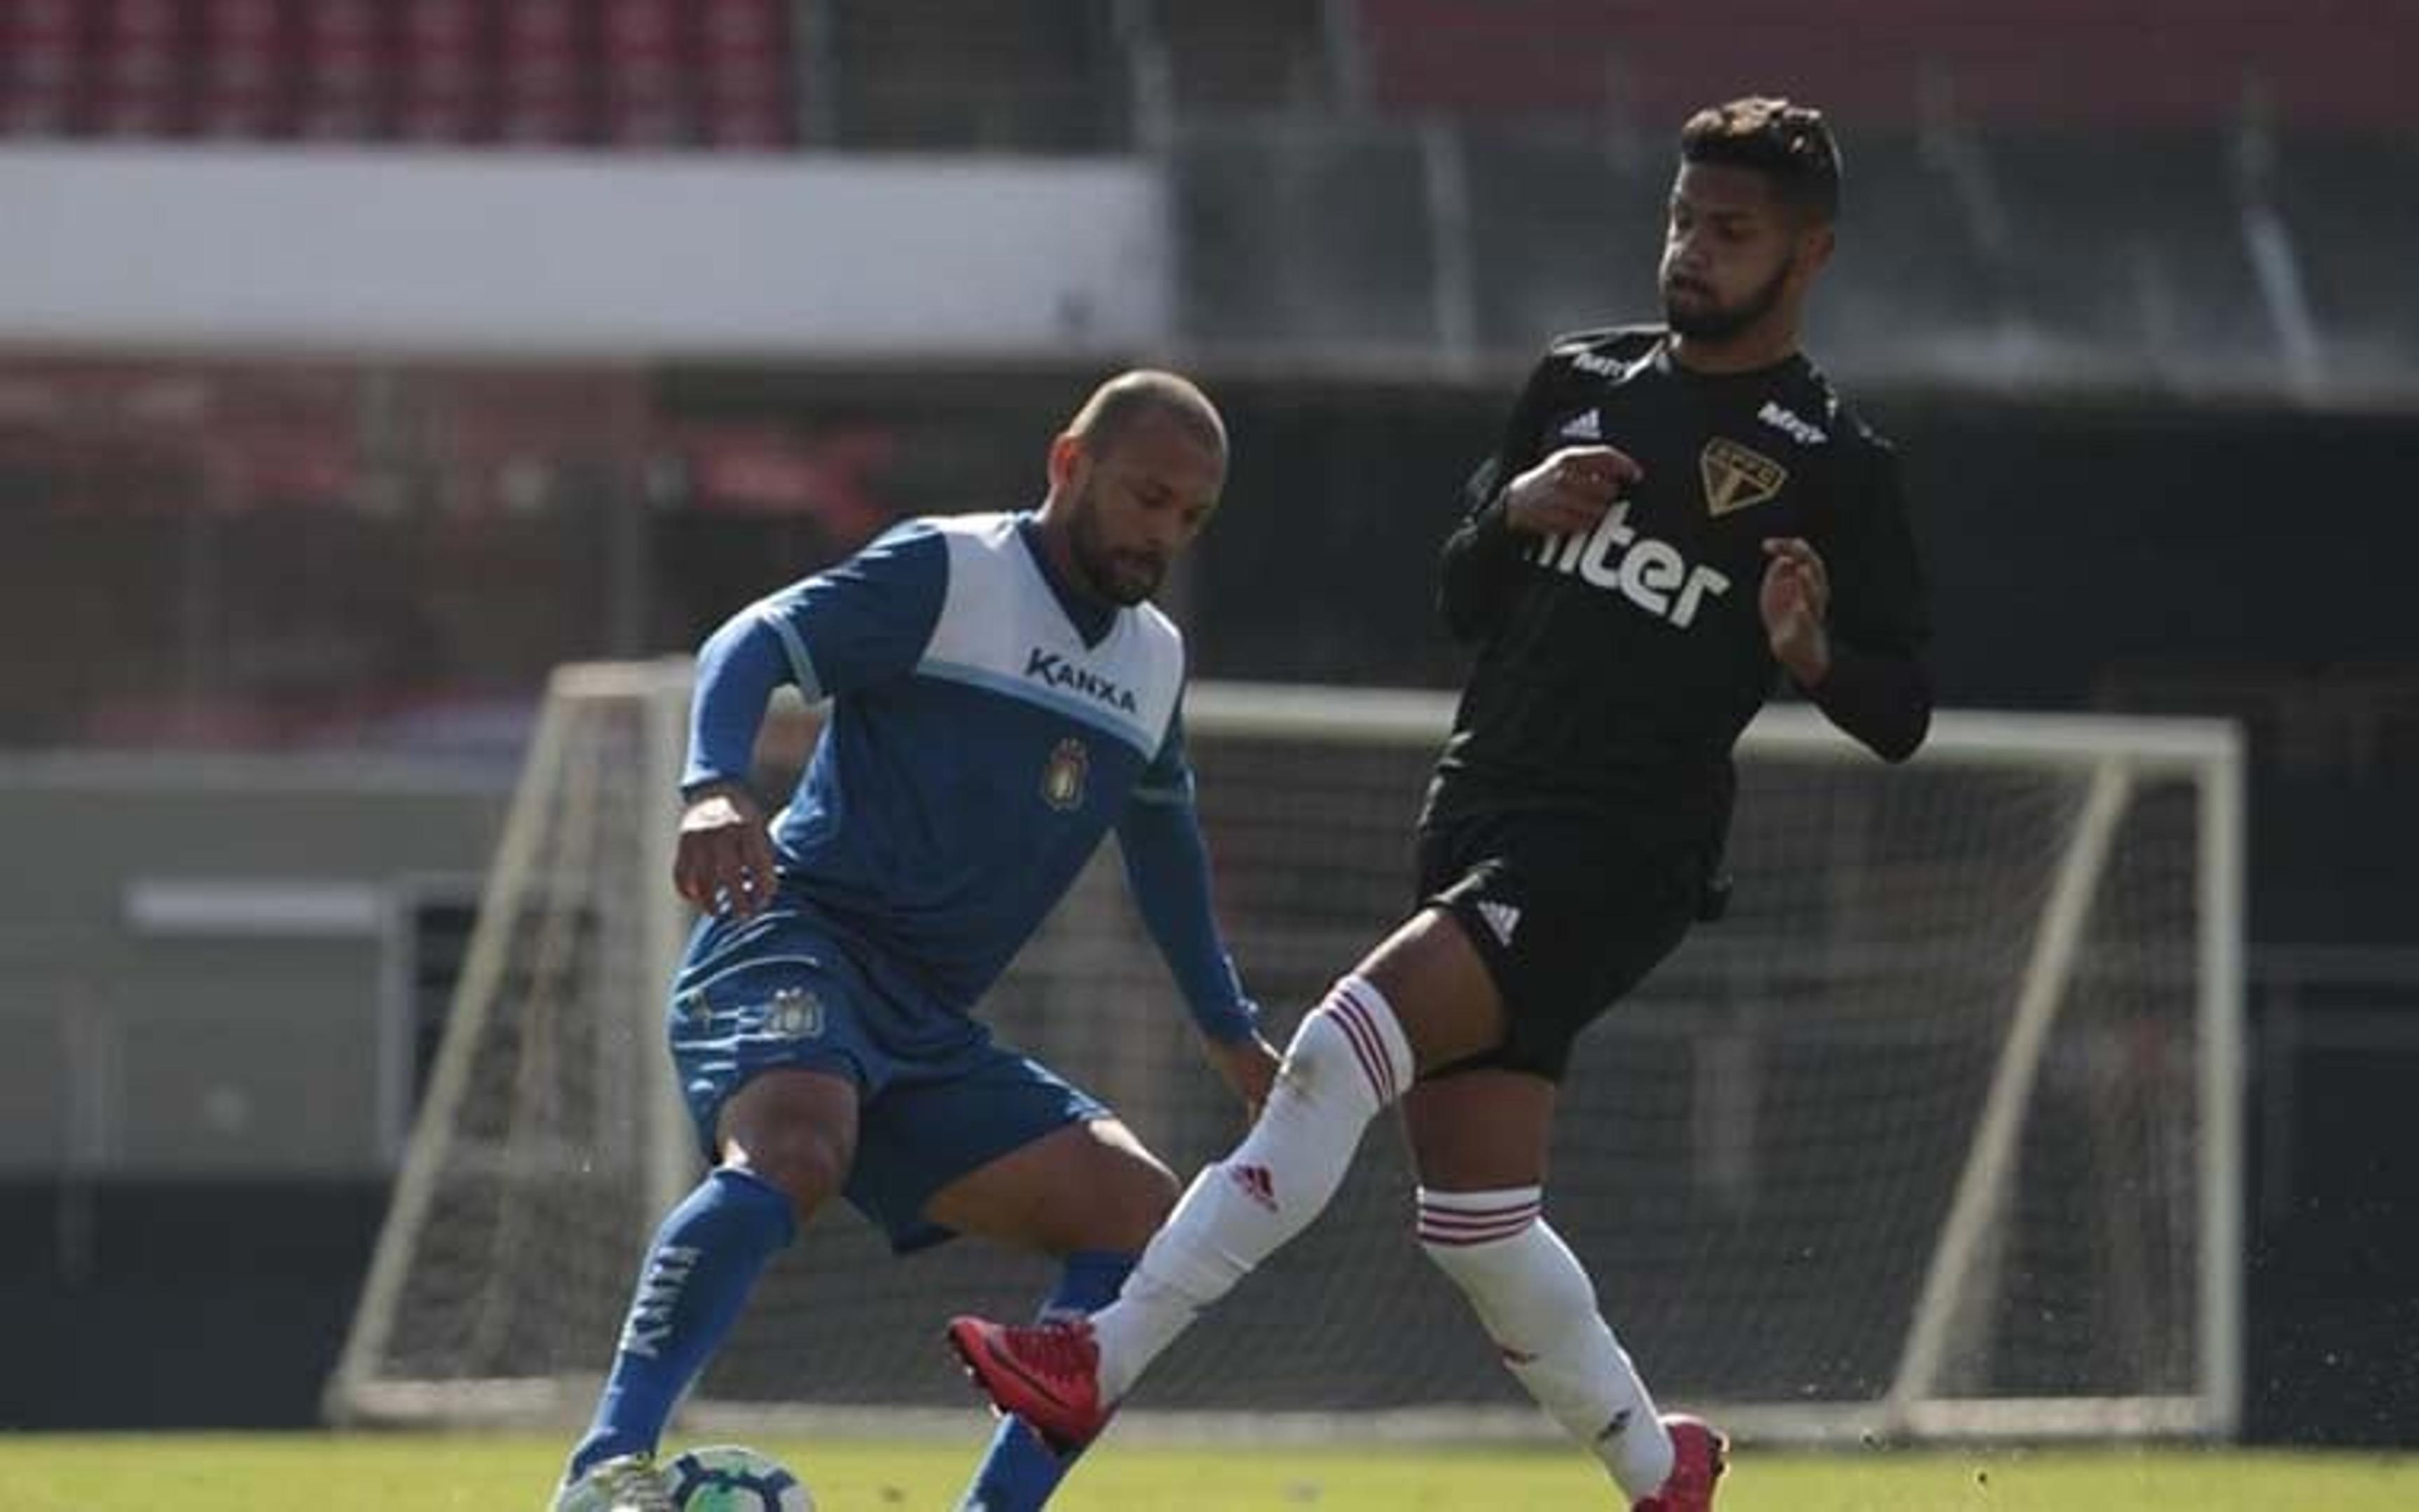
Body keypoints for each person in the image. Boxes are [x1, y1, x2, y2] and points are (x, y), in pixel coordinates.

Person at [947, 98, 1934, 1511]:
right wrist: (1516, 508)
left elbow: (1901, 711)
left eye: (1732, 233)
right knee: (1476, 1218)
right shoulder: (1578, 378)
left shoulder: (1836, 461)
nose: (1693, 252)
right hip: (1480, 815)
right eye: (1682, 220)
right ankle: (1666, 1471)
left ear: (1809, 251)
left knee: (1334, 1055)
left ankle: (1093, 1357)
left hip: (1617, 848)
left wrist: (1813, 655)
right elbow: (1462, 594)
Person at [552, 371, 1280, 1512]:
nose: (1163, 534)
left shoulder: (1154, 661)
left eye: (1192, 517)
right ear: (1069, 465)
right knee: (794, 1152)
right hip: (795, 934)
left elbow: (1167, 851)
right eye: (1147, 497)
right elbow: (750, 644)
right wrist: (713, 785)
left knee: (1137, 1213)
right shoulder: (951, 569)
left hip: (924, 1019)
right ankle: (601, 1472)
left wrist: (1230, 1029)